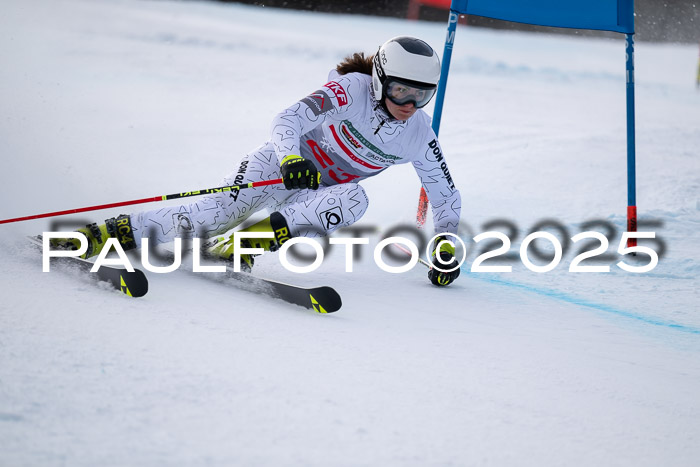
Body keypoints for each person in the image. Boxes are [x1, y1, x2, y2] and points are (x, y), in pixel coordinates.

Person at [52, 36, 462, 286]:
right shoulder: (350, 90)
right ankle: (101, 235)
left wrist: (446, 243)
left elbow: (446, 198)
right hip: (278, 170)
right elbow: (289, 118)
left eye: (421, 95)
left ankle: (238, 246)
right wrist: (289, 158)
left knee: (353, 199)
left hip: (312, 197)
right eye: (401, 91)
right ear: (379, 78)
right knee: (205, 217)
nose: (409, 104)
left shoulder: (418, 135)